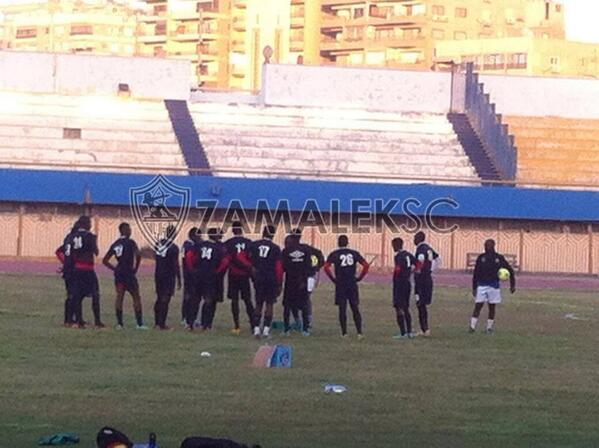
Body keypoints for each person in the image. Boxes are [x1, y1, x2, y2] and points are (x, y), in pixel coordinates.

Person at [324, 235, 369, 339]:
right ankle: (359, 332)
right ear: (347, 243)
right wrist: (360, 277)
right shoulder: (354, 253)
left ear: (338, 243)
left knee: (342, 308)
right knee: (355, 307)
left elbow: (326, 267)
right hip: (352, 282)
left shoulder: (334, 254)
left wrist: (333, 279)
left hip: (340, 283)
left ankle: (344, 333)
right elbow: (366, 265)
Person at [102, 222, 146, 330]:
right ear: (124, 230)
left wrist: (114, 269)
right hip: (129, 273)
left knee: (119, 297)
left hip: (119, 274)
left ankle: (120, 324)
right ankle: (139, 324)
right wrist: (136, 268)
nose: (130, 231)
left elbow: (105, 260)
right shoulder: (131, 242)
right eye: (129, 229)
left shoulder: (115, 244)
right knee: (136, 297)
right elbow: (138, 255)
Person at [470, 239, 516, 334]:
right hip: (482, 285)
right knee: (478, 306)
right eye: (486, 245)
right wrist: (474, 287)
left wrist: (512, 285)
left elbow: (510, 270)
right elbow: (475, 273)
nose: (487, 247)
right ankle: (472, 327)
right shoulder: (481, 258)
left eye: (489, 245)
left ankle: (489, 328)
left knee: (492, 307)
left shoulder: (499, 258)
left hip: (494, 286)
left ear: (493, 246)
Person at [68, 215, 104, 329]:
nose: (91, 225)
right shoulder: (90, 236)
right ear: (86, 224)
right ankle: (97, 321)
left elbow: (71, 252)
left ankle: (79, 321)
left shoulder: (73, 236)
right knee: (95, 294)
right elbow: (96, 252)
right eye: (89, 223)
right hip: (88, 269)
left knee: (78, 295)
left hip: (77, 268)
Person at [190, 228, 228, 331]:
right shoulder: (218, 248)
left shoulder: (200, 245)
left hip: (199, 275)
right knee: (209, 300)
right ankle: (206, 324)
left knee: (196, 299)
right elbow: (225, 262)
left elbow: (191, 257)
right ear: (216, 236)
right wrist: (218, 272)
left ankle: (191, 323)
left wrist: (193, 269)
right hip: (211, 276)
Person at [249, 225, 283, 339]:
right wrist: (279, 283)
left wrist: (253, 271)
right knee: (269, 304)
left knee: (258, 303)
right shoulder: (275, 248)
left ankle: (256, 330)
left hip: (259, 278)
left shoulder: (254, 245)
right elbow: (279, 267)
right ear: (273, 235)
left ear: (263, 233)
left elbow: (248, 260)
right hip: (270, 278)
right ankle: (266, 331)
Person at [291, 228, 324, 331]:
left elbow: (319, 254)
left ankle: (306, 321)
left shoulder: (305, 248)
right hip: (299, 277)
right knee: (297, 300)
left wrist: (316, 267)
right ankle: (300, 321)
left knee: (304, 299)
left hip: (307, 277)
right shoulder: (293, 249)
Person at [225, 221, 255, 334]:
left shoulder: (228, 243)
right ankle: (253, 324)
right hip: (245, 275)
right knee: (247, 300)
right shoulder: (249, 243)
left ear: (233, 230)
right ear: (242, 230)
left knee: (234, 300)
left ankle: (237, 326)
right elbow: (252, 259)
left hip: (233, 275)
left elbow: (226, 259)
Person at [281, 233, 312, 336]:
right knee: (304, 305)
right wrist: (305, 279)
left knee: (287, 306)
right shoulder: (306, 250)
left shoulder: (286, 251)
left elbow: (283, 266)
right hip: (302, 281)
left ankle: (286, 329)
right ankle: (305, 329)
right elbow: (308, 265)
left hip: (290, 281)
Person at [153, 225, 181, 330]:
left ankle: (157, 323)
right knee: (165, 299)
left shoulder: (158, 244)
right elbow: (175, 264)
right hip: (168, 275)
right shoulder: (173, 247)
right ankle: (162, 324)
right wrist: (179, 278)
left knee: (159, 298)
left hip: (158, 274)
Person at [413, 231, 440, 337]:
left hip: (421, 280)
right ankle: (425, 329)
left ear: (419, 238)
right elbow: (438, 259)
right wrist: (431, 270)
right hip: (428, 278)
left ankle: (425, 329)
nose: (413, 240)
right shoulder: (429, 248)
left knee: (420, 303)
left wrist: (417, 270)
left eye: (415, 238)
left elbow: (420, 259)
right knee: (422, 304)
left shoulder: (420, 249)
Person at [55, 219, 79, 326]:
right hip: (74, 270)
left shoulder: (68, 238)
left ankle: (70, 318)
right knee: (74, 294)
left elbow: (59, 251)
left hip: (68, 270)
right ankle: (71, 319)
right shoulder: (76, 240)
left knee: (71, 294)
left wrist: (65, 263)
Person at [391, 237, 416, 339]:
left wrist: (395, 276)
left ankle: (403, 333)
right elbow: (419, 264)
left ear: (396, 246)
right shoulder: (408, 254)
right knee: (406, 308)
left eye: (393, 246)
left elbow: (398, 269)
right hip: (407, 283)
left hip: (399, 284)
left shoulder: (398, 256)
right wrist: (411, 272)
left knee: (398, 307)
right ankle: (409, 332)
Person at [181, 227, 201, 328]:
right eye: (198, 236)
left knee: (196, 297)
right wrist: (192, 270)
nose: (200, 238)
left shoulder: (193, 245)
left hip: (194, 274)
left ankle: (193, 317)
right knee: (188, 296)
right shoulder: (188, 245)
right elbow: (187, 259)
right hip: (189, 274)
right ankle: (185, 317)